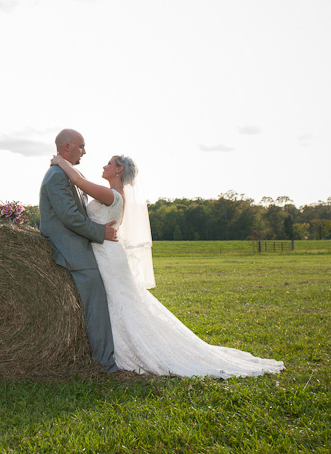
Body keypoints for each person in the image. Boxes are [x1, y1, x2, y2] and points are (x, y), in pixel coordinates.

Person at [51, 153, 285, 378]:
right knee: (118, 299)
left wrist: (60, 160)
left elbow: (78, 181)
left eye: (109, 163)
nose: (104, 166)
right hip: (105, 251)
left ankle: (124, 349)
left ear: (119, 169)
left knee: (119, 300)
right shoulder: (115, 193)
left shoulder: (113, 194)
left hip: (108, 255)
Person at [39, 129, 119, 372]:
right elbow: (70, 217)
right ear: (67, 147)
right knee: (96, 301)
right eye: (81, 146)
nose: (85, 151)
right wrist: (99, 231)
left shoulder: (63, 173)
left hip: (78, 246)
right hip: (70, 249)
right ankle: (105, 364)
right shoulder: (56, 177)